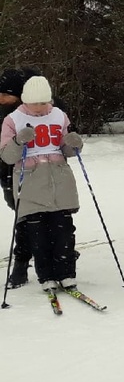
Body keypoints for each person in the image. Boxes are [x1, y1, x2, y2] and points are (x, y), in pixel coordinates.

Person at [0, 76, 84, 291]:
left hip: (60, 180)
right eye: (34, 102)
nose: (39, 107)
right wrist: (19, 141)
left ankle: (66, 273)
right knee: (38, 234)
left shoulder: (59, 115)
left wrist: (74, 143)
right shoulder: (13, 119)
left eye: (43, 102)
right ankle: (45, 276)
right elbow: (7, 157)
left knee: (64, 230)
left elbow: (67, 150)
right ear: (25, 100)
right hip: (30, 181)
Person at [1, 67, 41, 287]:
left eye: (6, 94)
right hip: (8, 175)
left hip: (36, 173)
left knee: (33, 219)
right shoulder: (5, 116)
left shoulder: (35, 113)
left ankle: (24, 262)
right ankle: (28, 257)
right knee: (23, 218)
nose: (1, 98)